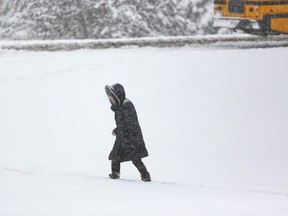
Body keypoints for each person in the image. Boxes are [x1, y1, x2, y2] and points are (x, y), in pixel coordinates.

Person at [105, 83, 151, 182]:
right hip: (124, 135)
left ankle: (145, 176)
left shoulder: (126, 106)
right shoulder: (120, 106)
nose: (110, 101)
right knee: (116, 155)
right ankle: (115, 174)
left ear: (117, 96)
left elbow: (127, 122)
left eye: (111, 98)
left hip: (132, 136)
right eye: (109, 99)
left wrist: (116, 130)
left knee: (136, 158)